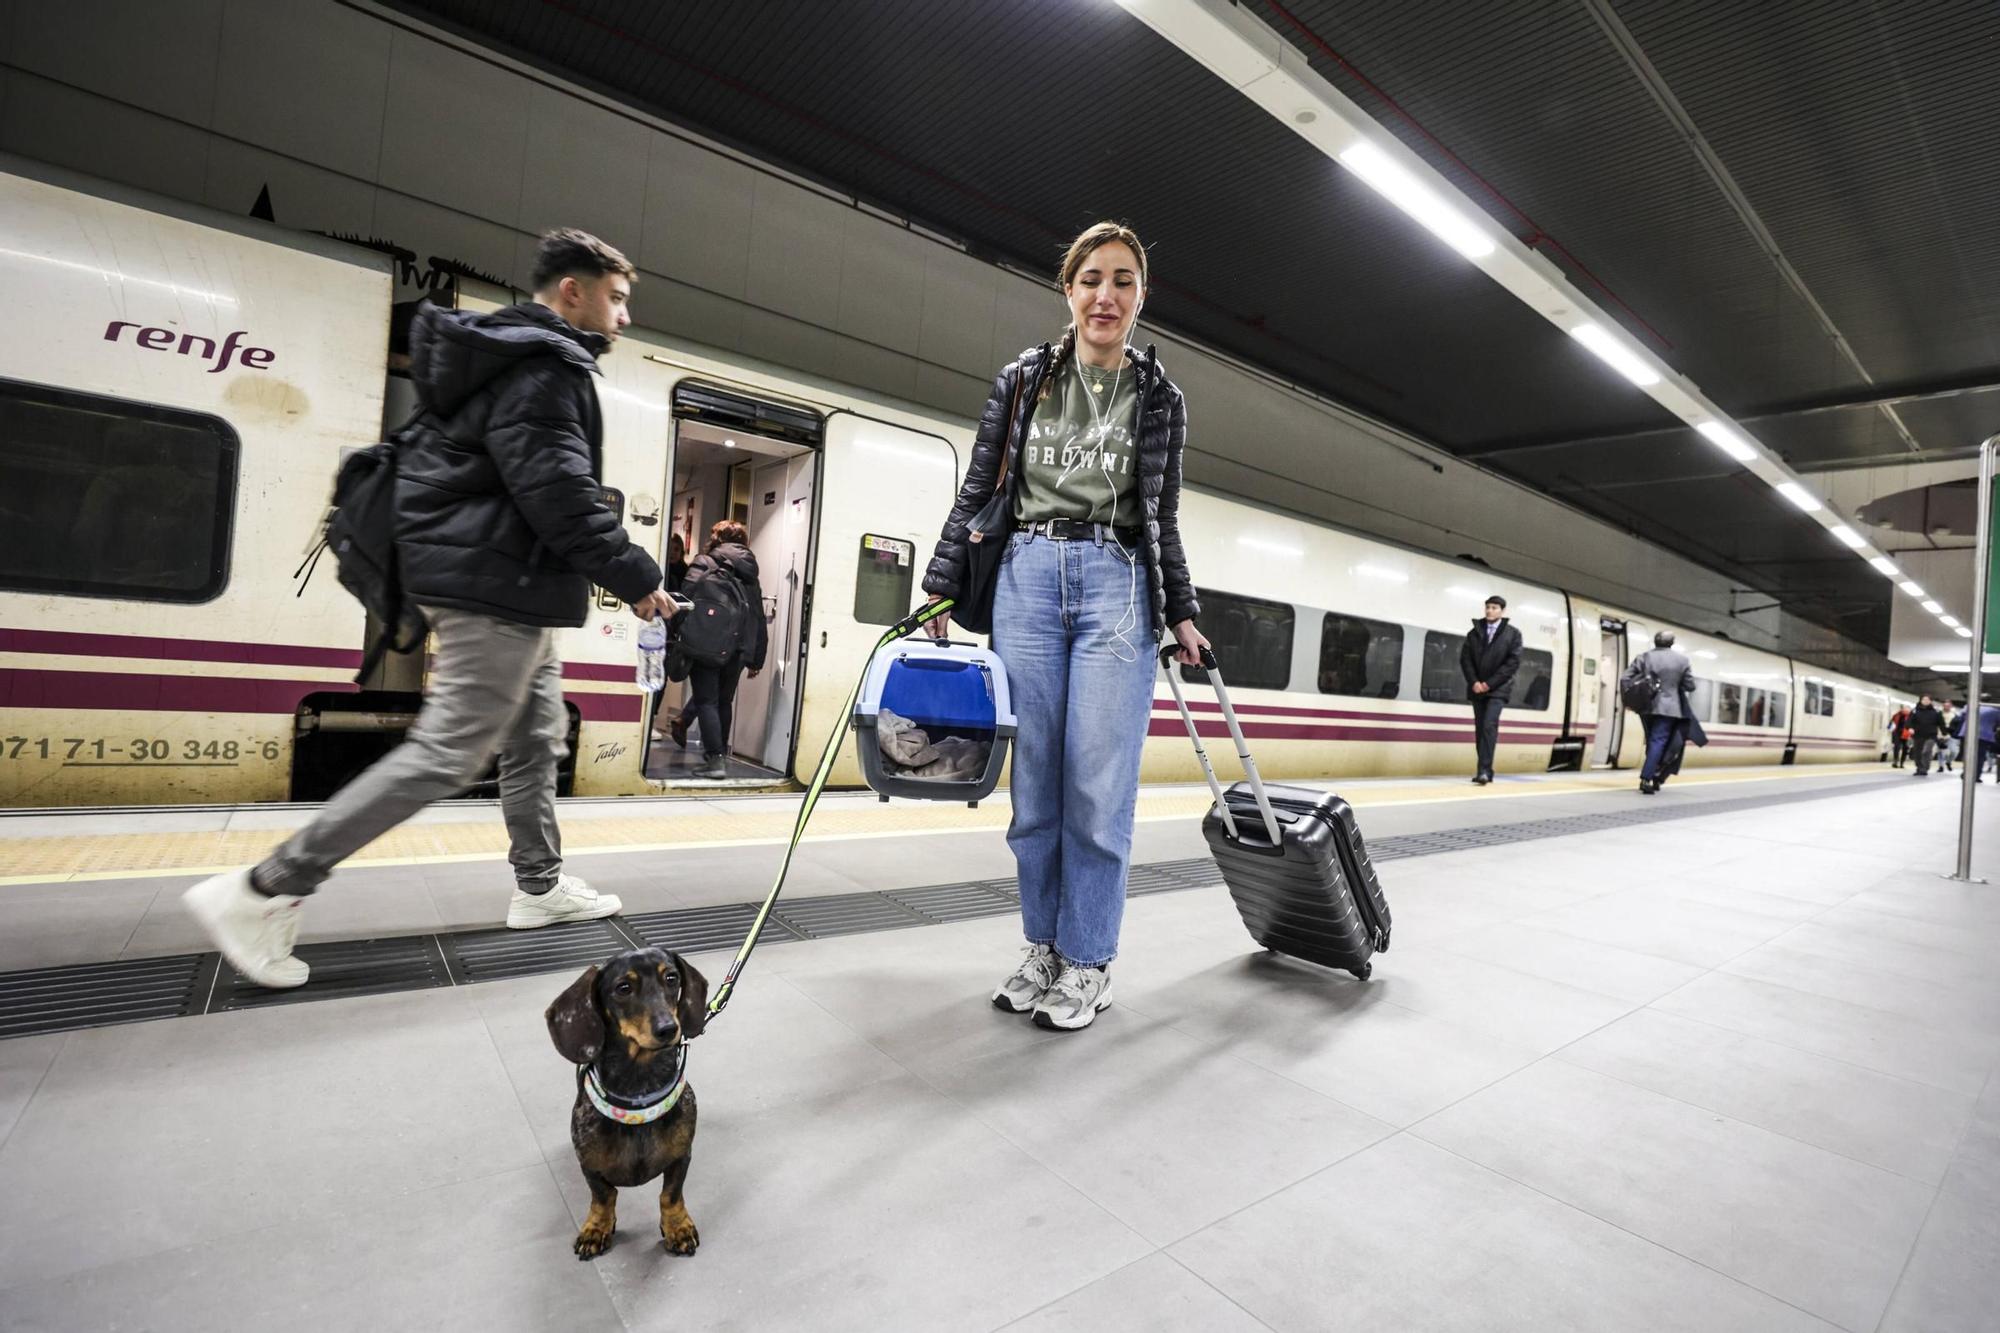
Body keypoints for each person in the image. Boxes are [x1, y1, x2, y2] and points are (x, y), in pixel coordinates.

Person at [182, 229, 674, 988]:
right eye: (617, 298)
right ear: (572, 292)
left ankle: (539, 886)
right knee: (451, 750)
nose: (625, 317)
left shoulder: (512, 357)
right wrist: (637, 573)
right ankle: (265, 886)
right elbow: (559, 494)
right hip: (493, 584)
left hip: (506, 579)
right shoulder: (542, 368)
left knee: (537, 732)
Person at [921, 221, 1208, 1032]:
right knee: (1035, 788)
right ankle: (1042, 948)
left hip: (1117, 583)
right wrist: (943, 585)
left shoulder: (1159, 398)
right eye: (1090, 279)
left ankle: (1088, 961)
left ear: (1141, 297)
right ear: (1067, 290)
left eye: (1122, 280)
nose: (1105, 295)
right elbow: (980, 486)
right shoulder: (1022, 381)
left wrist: (1179, 608)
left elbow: (1162, 516)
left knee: (1097, 790)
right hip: (1026, 578)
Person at [668, 520, 767, 779]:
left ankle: (714, 761)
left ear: (717, 537)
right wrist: (757, 657)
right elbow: (757, 614)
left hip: (706, 643)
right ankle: (719, 755)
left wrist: (680, 634)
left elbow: (685, 599)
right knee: (723, 701)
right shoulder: (750, 572)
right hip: (737, 648)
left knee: (706, 700)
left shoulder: (705, 562)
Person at [1459, 596, 1522, 785]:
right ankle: (1485, 770)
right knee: (1480, 729)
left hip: (1498, 690)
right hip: (1477, 689)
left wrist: (1490, 683)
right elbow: (1465, 660)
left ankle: (1484, 771)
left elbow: (1512, 662)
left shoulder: (1513, 634)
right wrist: (1475, 682)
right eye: (1487, 607)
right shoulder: (1474, 633)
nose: (1489, 611)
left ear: (1502, 611)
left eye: (1494, 607)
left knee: (1488, 725)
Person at [1625, 630, 1694, 795]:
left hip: (1646, 706)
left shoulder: (1644, 657)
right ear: (1671, 643)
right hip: (1669, 708)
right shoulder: (1682, 660)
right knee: (1659, 741)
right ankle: (1648, 777)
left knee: (1652, 741)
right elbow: (1690, 686)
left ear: (1656, 642)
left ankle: (1653, 776)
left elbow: (1626, 677)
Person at [1907, 694, 1944, 777]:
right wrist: (1910, 728)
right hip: (1918, 735)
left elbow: (1941, 723)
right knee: (1918, 753)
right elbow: (1909, 721)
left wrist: (1944, 733)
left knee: (1926, 751)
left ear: (1930, 701)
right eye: (1924, 699)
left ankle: (1925, 768)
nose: (1926, 701)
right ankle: (1919, 768)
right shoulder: (1915, 711)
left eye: (1927, 700)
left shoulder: (1936, 712)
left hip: (1931, 735)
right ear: (1920, 700)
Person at [1940, 700, 1960, 772]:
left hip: (1951, 735)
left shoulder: (1955, 715)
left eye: (1948, 706)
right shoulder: (1939, 714)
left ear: (1951, 706)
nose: (1946, 707)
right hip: (1940, 734)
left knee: (1954, 751)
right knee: (1941, 751)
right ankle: (1941, 766)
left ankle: (1948, 761)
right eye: (1945, 705)